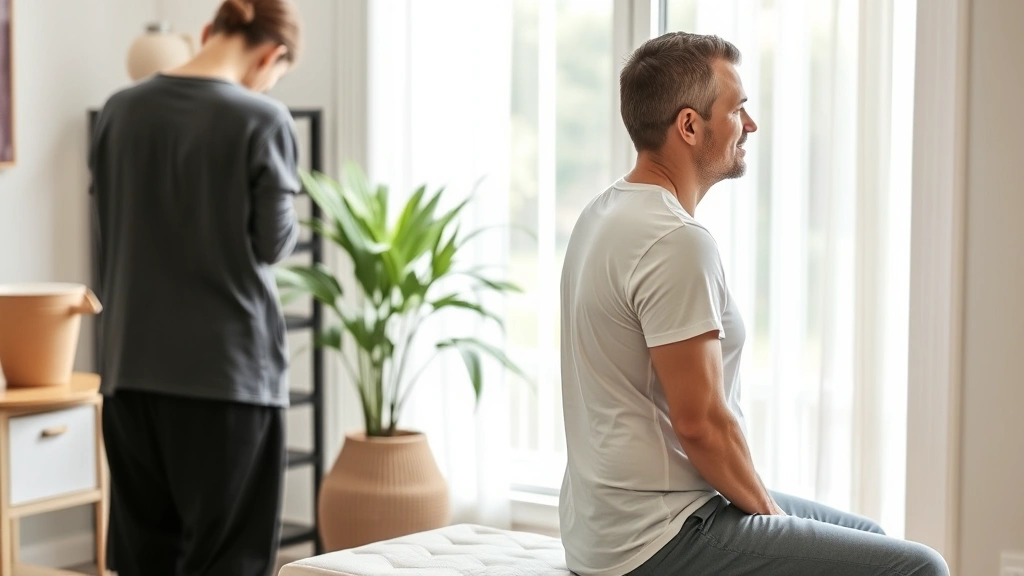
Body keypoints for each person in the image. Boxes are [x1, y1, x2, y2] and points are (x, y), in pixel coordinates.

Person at [558, 32, 949, 576]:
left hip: (614, 525)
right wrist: (769, 517)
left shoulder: (603, 213)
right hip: (656, 538)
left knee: (869, 538)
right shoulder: (673, 241)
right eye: (738, 109)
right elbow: (702, 424)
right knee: (919, 568)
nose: (751, 124)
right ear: (690, 126)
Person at [88, 1, 302, 574]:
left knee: (145, 560)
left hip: (130, 376)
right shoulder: (263, 120)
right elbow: (272, 245)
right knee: (227, 560)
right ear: (271, 54)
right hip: (228, 379)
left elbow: (113, 232)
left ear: (208, 31)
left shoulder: (118, 112)